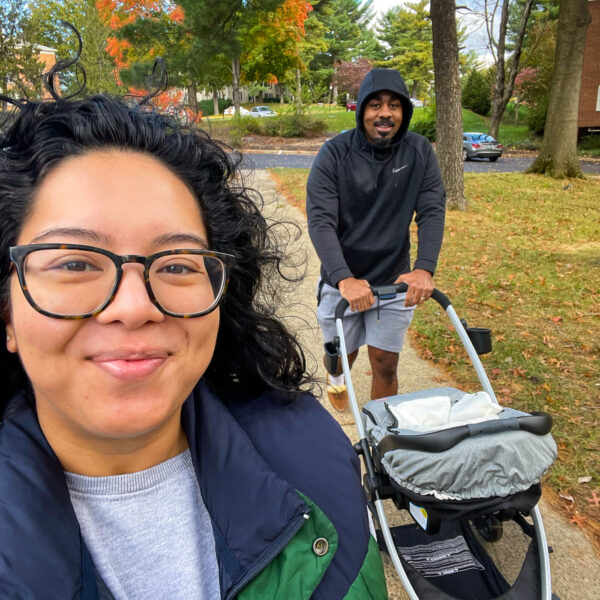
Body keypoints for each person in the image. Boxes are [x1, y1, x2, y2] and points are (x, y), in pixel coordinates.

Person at [0, 94, 388, 599]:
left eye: (178, 263)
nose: (135, 307)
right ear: (7, 313)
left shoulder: (315, 454)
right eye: (75, 263)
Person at [306, 68, 446, 410]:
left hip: (393, 279)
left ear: (404, 112)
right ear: (362, 111)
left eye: (395, 105)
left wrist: (424, 268)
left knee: (385, 362)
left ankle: (382, 440)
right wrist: (344, 278)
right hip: (344, 280)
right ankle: (336, 378)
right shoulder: (334, 154)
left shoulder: (419, 152)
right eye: (376, 105)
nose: (385, 113)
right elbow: (321, 220)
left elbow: (431, 209)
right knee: (341, 361)